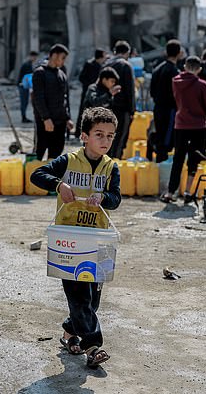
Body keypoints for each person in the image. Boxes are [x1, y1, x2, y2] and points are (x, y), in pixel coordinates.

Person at [30, 106, 121, 369]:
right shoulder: (68, 161)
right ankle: (93, 346)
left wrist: (104, 197)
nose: (105, 141)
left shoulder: (111, 168)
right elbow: (37, 175)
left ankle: (70, 332)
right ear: (84, 136)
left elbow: (115, 199)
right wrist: (59, 185)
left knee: (92, 300)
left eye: (110, 136)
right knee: (79, 295)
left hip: (100, 241)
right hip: (69, 240)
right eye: (99, 134)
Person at [161, 56, 206, 203]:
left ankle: (170, 192)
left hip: (180, 124)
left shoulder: (175, 82)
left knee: (178, 158)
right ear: (199, 69)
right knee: (194, 158)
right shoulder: (202, 85)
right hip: (198, 125)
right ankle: (188, 192)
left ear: (184, 67)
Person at [32, 44, 74, 160]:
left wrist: (67, 118)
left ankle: (51, 177)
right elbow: (38, 98)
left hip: (60, 122)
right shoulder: (40, 73)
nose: (64, 61)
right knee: (39, 153)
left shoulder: (61, 74)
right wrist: (46, 118)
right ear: (54, 55)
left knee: (56, 155)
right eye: (63, 58)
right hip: (45, 123)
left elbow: (65, 98)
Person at [149, 39, 181, 162]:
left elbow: (152, 91)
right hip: (170, 110)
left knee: (160, 134)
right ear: (179, 53)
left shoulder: (157, 69)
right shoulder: (175, 72)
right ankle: (161, 165)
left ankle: (154, 149)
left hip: (158, 107)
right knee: (166, 141)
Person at [104, 40, 135, 159]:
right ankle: (114, 166)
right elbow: (130, 90)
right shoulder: (126, 66)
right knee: (119, 140)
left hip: (106, 107)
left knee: (106, 139)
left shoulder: (106, 65)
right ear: (127, 53)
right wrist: (132, 111)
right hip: (122, 110)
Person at [75, 49, 108, 138]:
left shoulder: (102, 66)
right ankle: (78, 132)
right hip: (87, 92)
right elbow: (81, 77)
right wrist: (89, 85)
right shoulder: (89, 64)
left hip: (97, 93)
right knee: (83, 112)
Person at [18, 51, 38, 123]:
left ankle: (24, 117)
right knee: (24, 102)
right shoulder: (27, 65)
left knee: (25, 102)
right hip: (23, 85)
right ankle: (23, 118)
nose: (35, 58)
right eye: (34, 57)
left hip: (24, 85)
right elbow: (27, 77)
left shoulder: (28, 64)